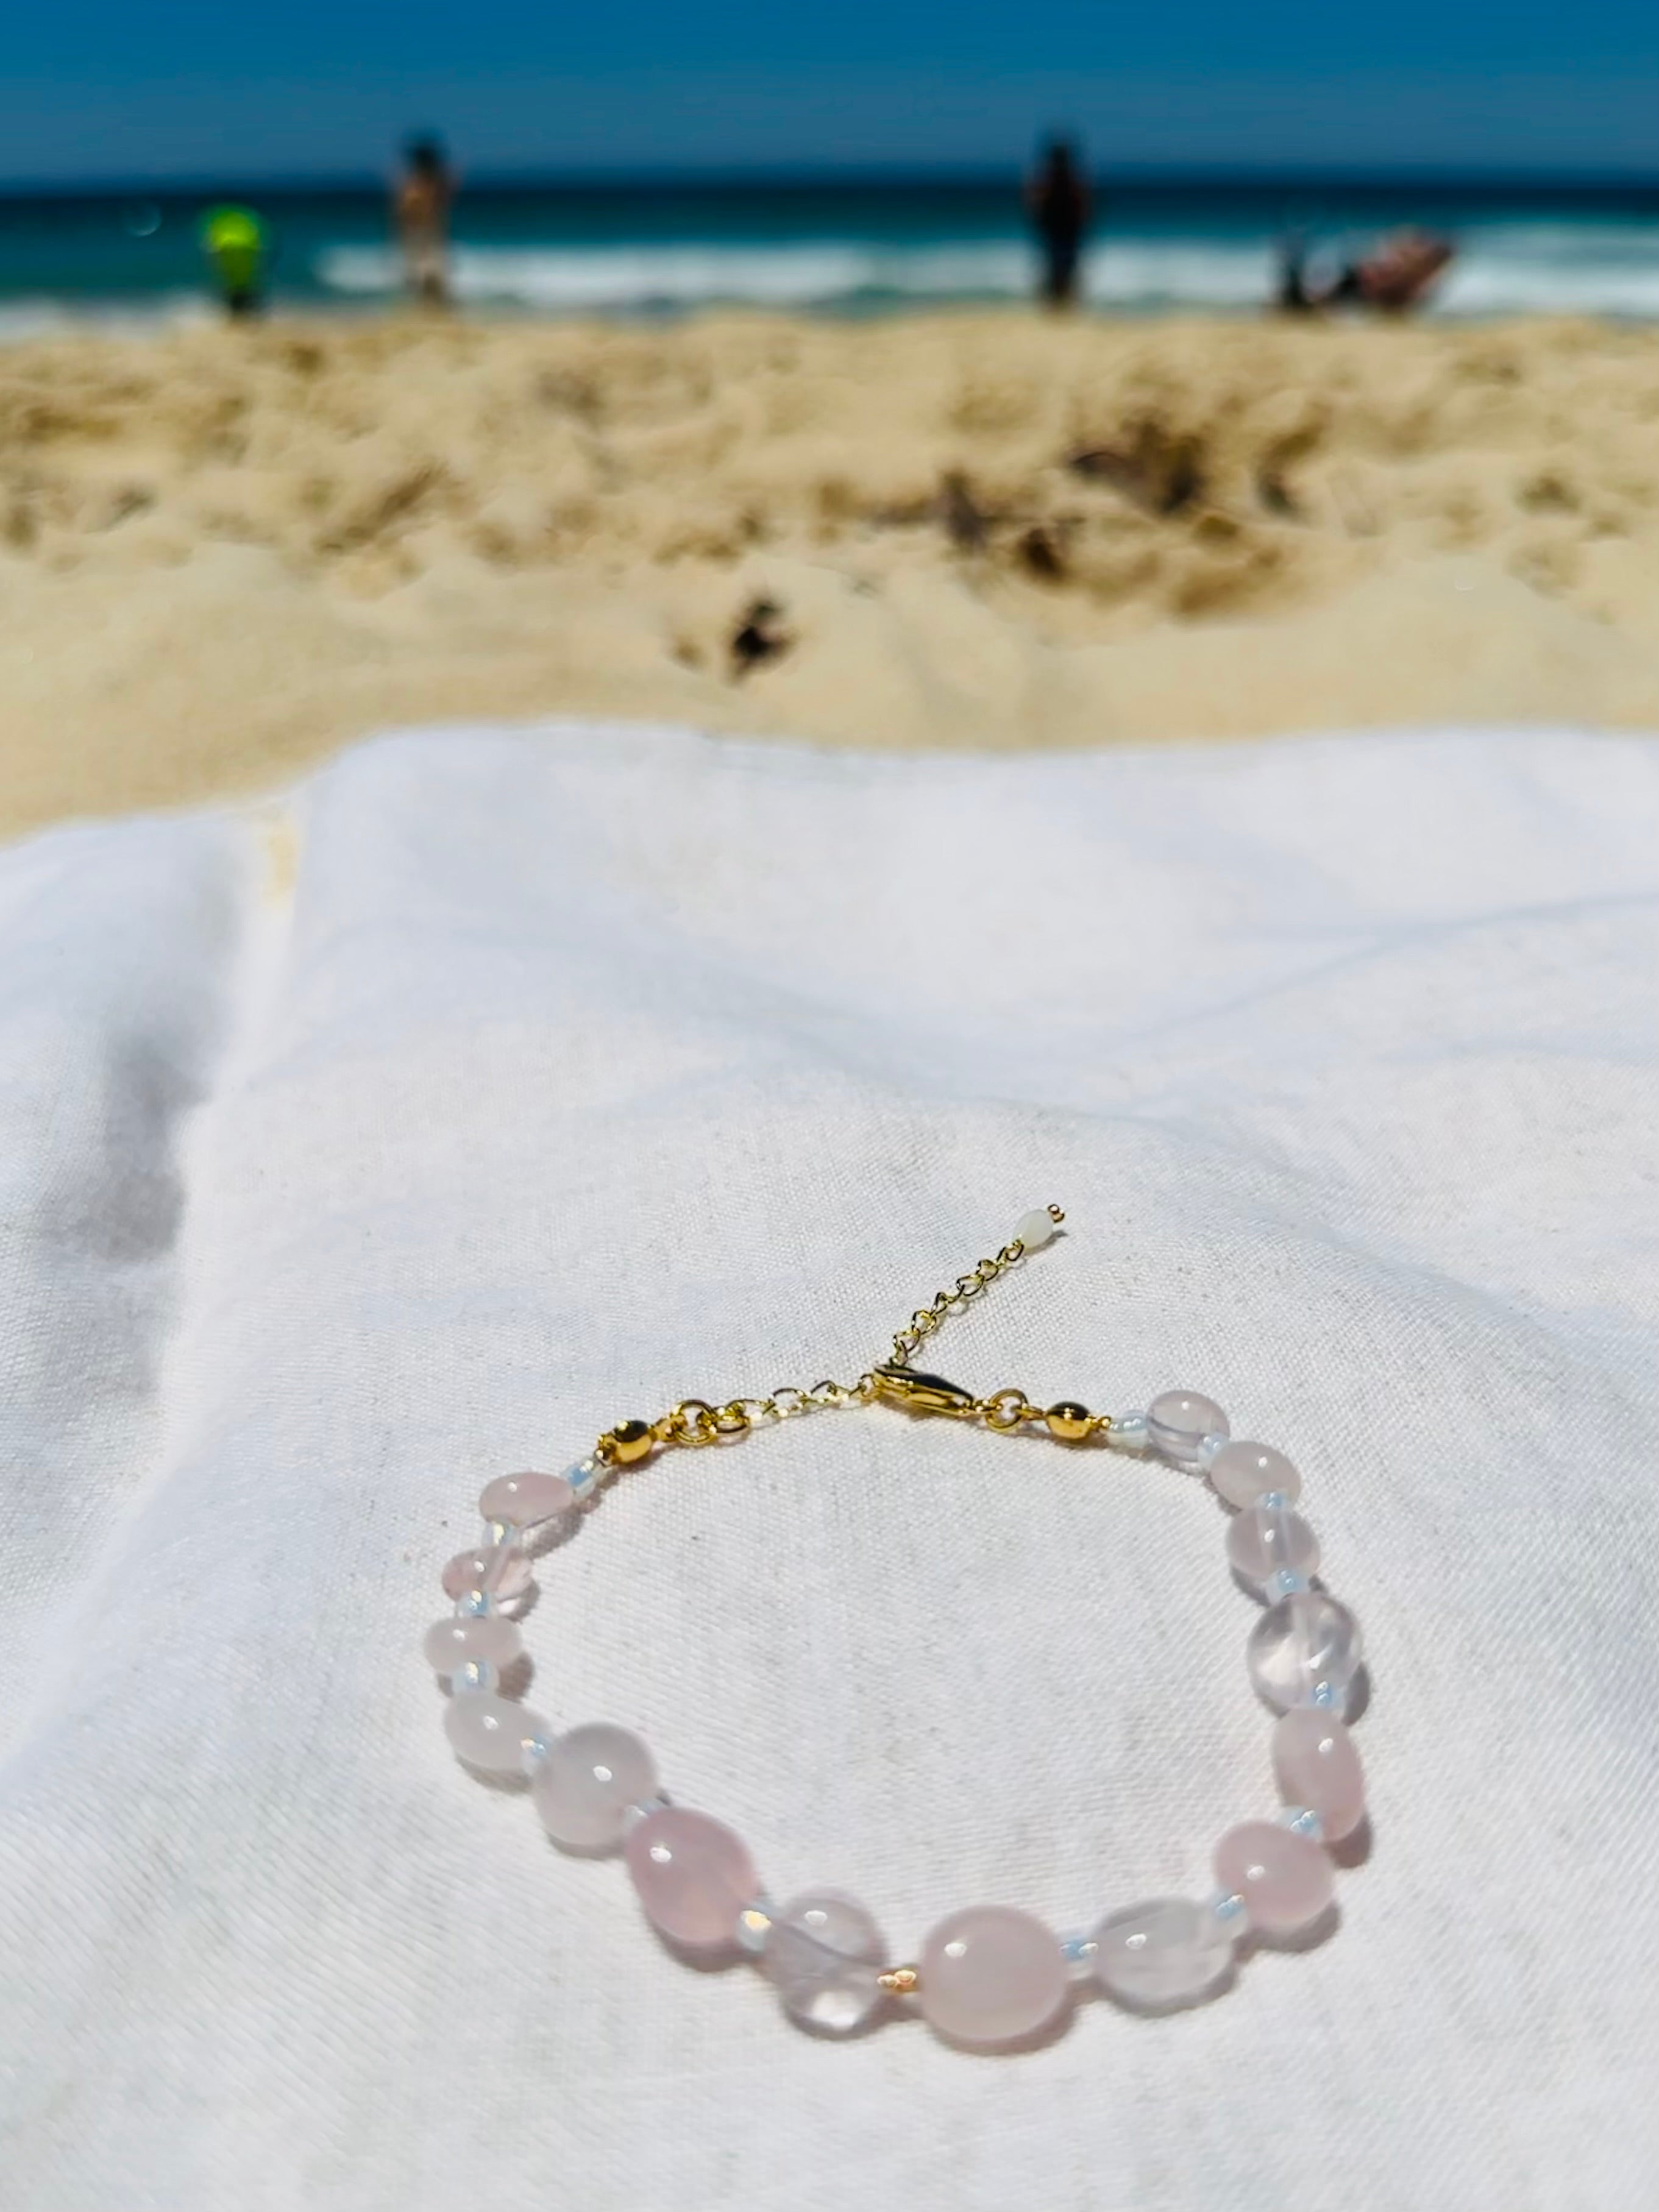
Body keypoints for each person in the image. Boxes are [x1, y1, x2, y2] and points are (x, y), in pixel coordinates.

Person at [1278, 228, 1454, 315]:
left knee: (1315, 298)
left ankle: (1295, 274)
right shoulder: (1411, 273)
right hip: (1357, 290)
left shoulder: (1414, 277)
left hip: (1359, 292)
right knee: (1315, 298)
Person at [1025, 136, 1092, 309]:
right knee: (1060, 265)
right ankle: (1060, 302)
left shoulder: (1050, 179)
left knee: (1058, 265)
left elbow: (1033, 203)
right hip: (1062, 230)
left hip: (1061, 229)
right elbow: (1085, 206)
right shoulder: (1066, 179)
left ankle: (1060, 302)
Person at [395, 135, 456, 307]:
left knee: (428, 279)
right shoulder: (422, 186)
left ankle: (429, 312)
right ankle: (431, 313)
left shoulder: (416, 186)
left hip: (424, 237)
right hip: (426, 237)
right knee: (429, 279)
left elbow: (402, 216)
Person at [199, 205, 269, 319]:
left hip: (235, 277)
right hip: (246, 276)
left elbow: (211, 248)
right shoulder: (248, 223)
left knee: (237, 296)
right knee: (246, 297)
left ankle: (239, 319)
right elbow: (262, 246)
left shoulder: (221, 226)